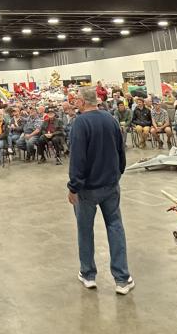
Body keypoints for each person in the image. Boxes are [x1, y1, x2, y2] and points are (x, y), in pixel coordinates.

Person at [66, 86, 133, 295]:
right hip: (110, 185)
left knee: (85, 230)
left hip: (87, 189)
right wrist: (117, 173)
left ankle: (88, 274)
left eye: (76, 99)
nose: (74, 102)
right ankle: (122, 278)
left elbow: (78, 158)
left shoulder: (79, 123)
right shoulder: (110, 119)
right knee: (115, 227)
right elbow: (120, 149)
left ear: (83, 102)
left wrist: (73, 186)